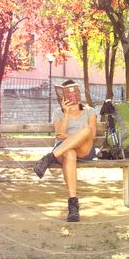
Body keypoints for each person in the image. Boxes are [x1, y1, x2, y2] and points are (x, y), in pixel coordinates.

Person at [34, 80, 97, 222]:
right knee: (70, 152)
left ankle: (49, 157)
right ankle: (73, 207)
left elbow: (91, 134)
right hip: (64, 150)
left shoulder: (89, 111)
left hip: (84, 149)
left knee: (86, 130)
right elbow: (59, 134)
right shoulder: (58, 112)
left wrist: (73, 137)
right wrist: (67, 114)